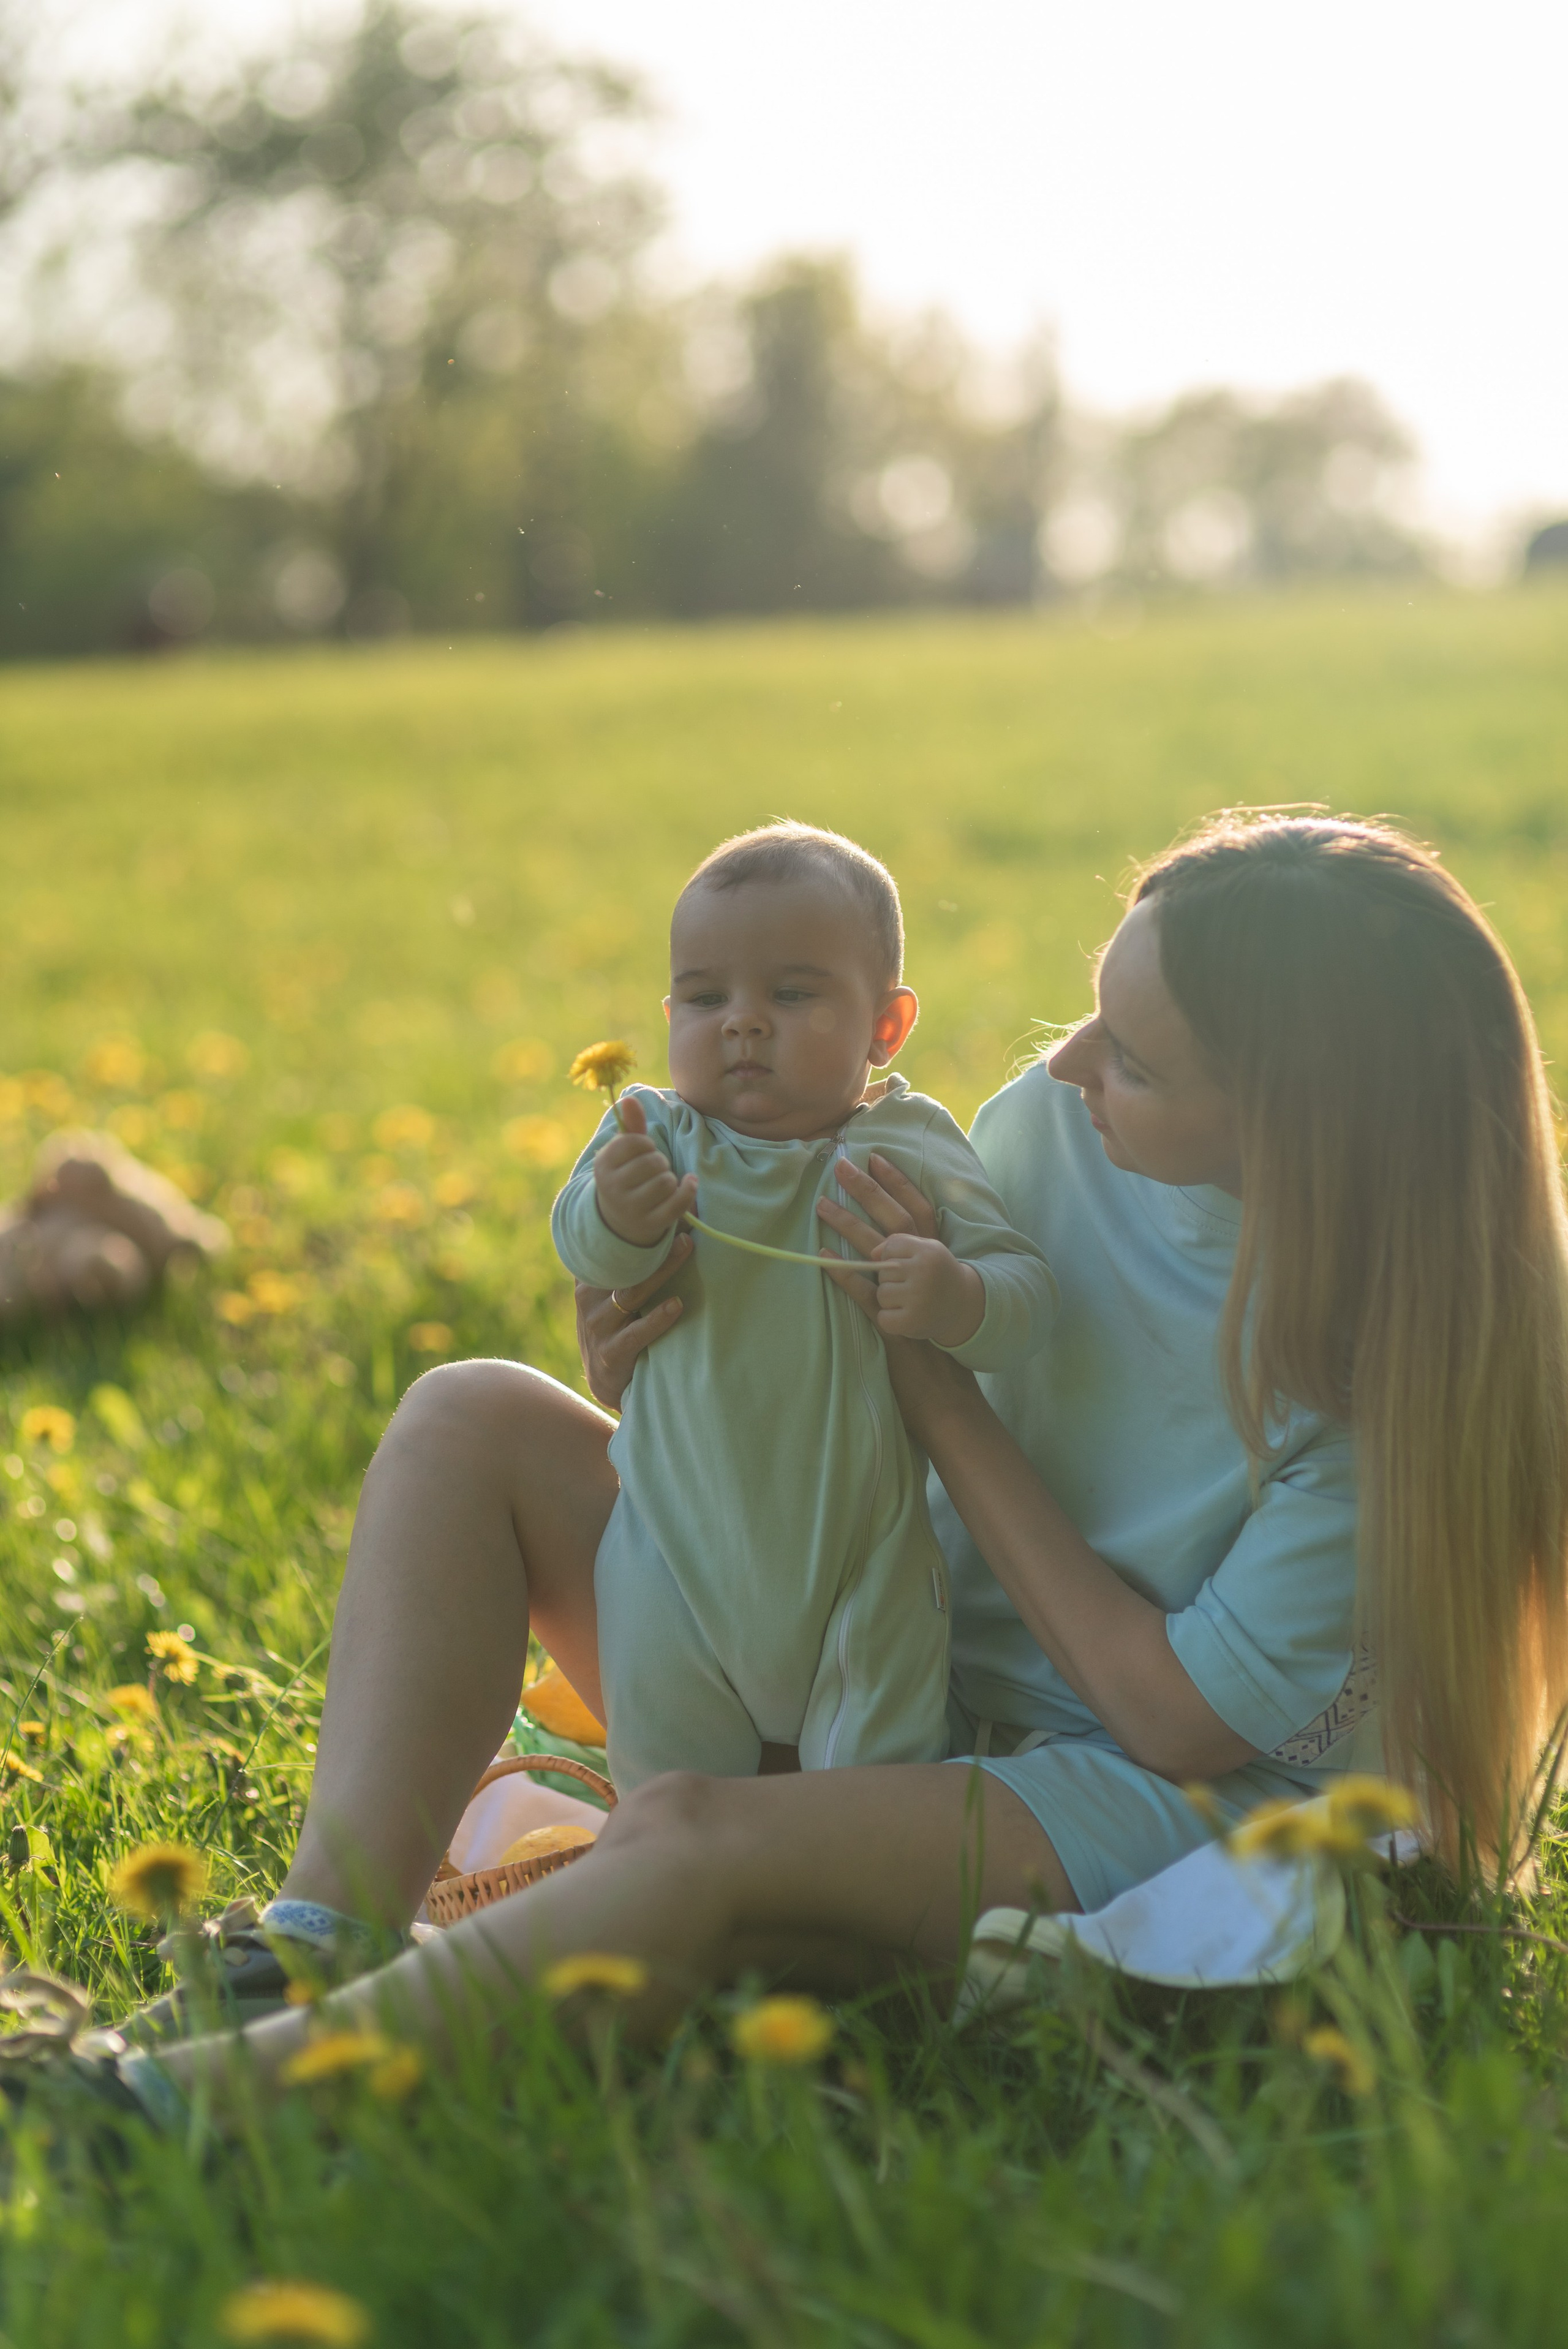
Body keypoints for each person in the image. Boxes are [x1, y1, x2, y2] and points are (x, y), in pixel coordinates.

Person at [32, 810, 1568, 2125]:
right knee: (466, 1416)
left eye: (1139, 1058)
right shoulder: (1059, 1122)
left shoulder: (1387, 1409)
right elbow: (870, 1309)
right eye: (1092, 1010)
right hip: (874, 1647)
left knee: (685, 1834)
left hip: (1133, 1795)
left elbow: (1165, 1714)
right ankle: (313, 1937)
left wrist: (937, 1396)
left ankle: (181, 2112)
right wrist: (666, 1349)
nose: (1070, 1059)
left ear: (1297, 1129)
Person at [553, 823, 1055, 1790]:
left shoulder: (909, 1142)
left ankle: (852, 1908)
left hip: (862, 1571)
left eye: (792, 994)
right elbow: (584, 1245)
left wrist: (954, 1292)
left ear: (888, 1025)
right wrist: (620, 1212)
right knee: (668, 1781)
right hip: (674, 1555)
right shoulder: (654, 1133)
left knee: (873, 1780)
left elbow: (1026, 1299)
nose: (742, 1022)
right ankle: (676, 1895)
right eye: (706, 998)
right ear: (668, 1012)